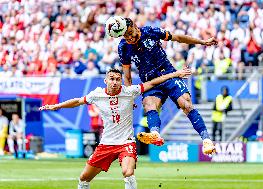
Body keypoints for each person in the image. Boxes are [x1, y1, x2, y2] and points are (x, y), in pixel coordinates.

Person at [39, 68, 192, 189]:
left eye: (118, 79)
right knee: (84, 178)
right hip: (106, 144)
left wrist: (176, 74)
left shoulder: (129, 91)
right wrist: (56, 105)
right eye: (112, 79)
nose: (115, 82)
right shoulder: (97, 95)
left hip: (126, 142)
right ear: (106, 80)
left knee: (128, 172)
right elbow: (78, 101)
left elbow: (152, 83)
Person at [105, 16, 218, 149]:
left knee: (185, 103)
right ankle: (155, 134)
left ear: (135, 27)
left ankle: (206, 140)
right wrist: (129, 96)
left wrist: (202, 42)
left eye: (130, 33)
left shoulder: (150, 32)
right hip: (150, 82)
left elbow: (178, 38)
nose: (129, 38)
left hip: (168, 74)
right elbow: (127, 76)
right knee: (149, 105)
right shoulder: (123, 47)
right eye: (125, 36)